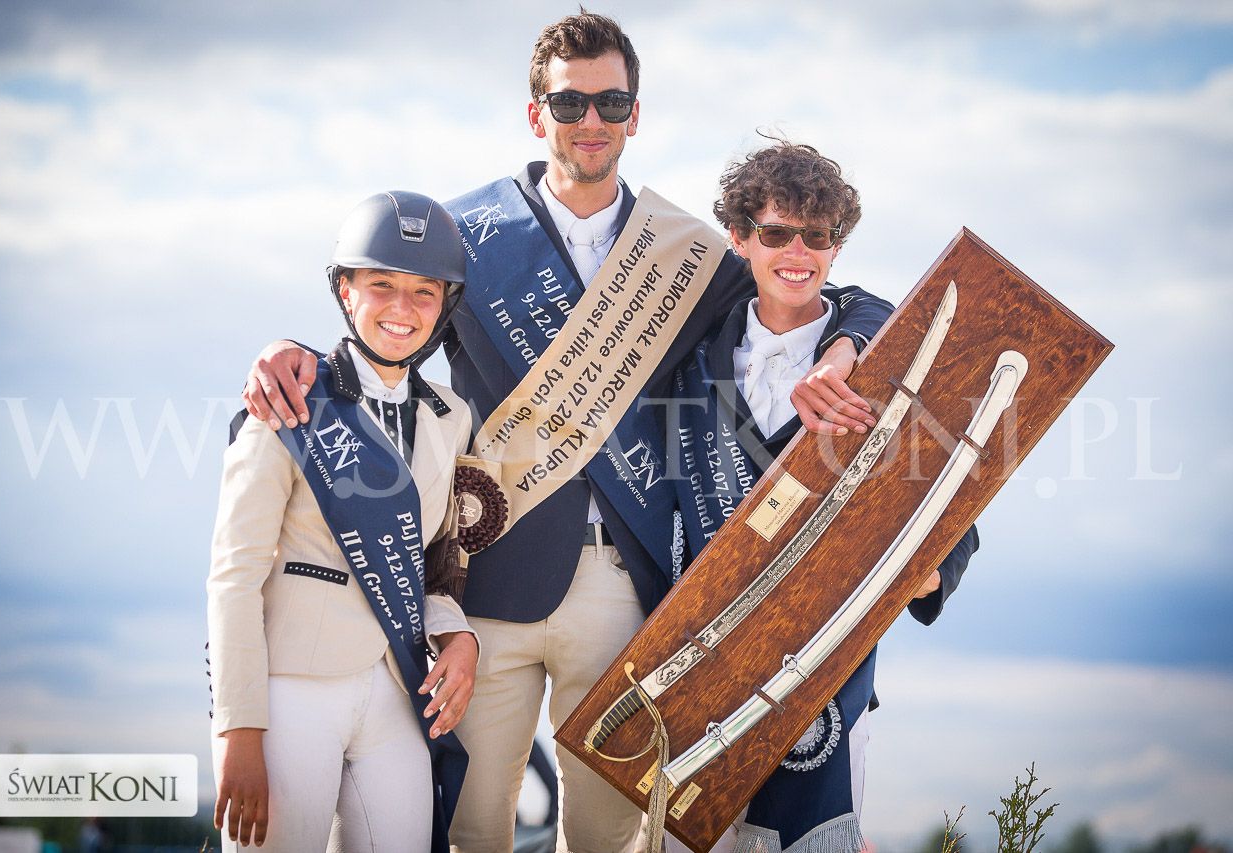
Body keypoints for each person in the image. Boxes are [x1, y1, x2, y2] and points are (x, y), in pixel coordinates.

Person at [242, 13, 894, 853]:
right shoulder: (468, 237)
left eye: (610, 102)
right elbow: (388, 334)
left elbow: (831, 294)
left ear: (634, 115)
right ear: (536, 113)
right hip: (493, 577)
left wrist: (848, 345)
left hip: (626, 587)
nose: (591, 120)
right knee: (471, 822)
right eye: (569, 103)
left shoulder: (690, 255)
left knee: (614, 834)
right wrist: (292, 348)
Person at [662, 140, 979, 853]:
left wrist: (929, 572)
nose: (798, 252)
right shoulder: (690, 356)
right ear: (740, 237)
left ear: (838, 245)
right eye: (777, 233)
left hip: (824, 671)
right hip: (690, 658)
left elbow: (951, 506)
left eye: (818, 235)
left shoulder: (886, 368)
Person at [207, 191, 480, 852]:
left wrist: (459, 637)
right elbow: (234, 575)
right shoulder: (288, 395)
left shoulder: (452, 418)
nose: (402, 308)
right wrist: (238, 728)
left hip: (395, 691)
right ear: (344, 289)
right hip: (292, 689)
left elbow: (434, 560)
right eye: (381, 285)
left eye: (423, 292)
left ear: (445, 304)